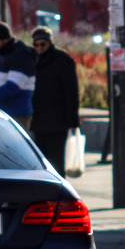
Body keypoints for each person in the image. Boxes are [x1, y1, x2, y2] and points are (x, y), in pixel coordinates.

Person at [29, 27, 80, 177]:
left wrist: (72, 120)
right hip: (38, 119)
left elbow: (71, 92)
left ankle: (59, 193)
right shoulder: (33, 60)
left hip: (58, 120)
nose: (39, 47)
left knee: (57, 160)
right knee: (41, 161)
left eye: (43, 44)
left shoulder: (63, 60)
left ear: (50, 43)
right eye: (36, 44)